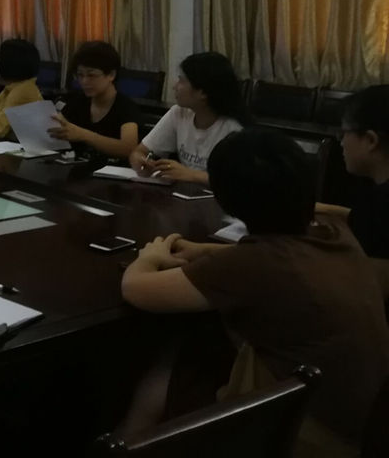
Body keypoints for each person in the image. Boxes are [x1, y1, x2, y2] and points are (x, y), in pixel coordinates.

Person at [120, 128, 389, 455]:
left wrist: (150, 257)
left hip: (304, 432)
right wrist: (206, 251)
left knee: (169, 364)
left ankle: (125, 443)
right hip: (361, 421)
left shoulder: (252, 265)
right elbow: (272, 258)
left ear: (226, 200)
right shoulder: (333, 231)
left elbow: (136, 288)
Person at [129, 52, 246, 184]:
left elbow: (238, 182)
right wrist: (139, 160)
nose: (175, 87)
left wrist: (191, 175)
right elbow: (139, 151)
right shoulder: (179, 113)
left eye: (182, 81)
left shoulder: (234, 130)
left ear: (202, 92)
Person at [314, 85, 389, 292]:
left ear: (371, 140)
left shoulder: (380, 206)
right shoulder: (377, 195)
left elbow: (369, 288)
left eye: (344, 133)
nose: (341, 143)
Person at [48, 41, 141, 160]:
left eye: (91, 75)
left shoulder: (126, 107)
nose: (84, 81)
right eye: (80, 75)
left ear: (111, 75)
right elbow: (58, 126)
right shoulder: (77, 101)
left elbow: (129, 149)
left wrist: (83, 135)